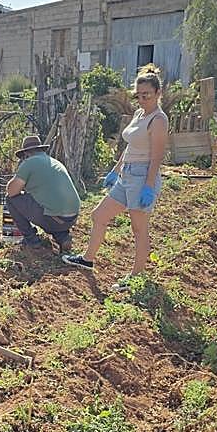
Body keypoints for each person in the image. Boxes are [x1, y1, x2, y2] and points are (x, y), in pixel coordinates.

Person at [63, 67, 168, 287]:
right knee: (99, 215)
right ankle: (87, 259)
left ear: (158, 93)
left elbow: (157, 156)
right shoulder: (140, 114)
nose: (141, 99)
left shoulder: (158, 120)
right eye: (138, 95)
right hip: (127, 174)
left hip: (142, 177)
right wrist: (116, 170)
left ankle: (136, 277)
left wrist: (149, 186)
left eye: (146, 95)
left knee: (139, 229)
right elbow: (130, 146)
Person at [4, 135, 80, 253]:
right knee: (49, 207)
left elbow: (12, 191)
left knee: (10, 199)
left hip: (52, 219)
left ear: (26, 154)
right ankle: (63, 237)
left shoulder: (29, 163)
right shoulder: (55, 162)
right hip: (71, 218)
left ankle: (32, 240)